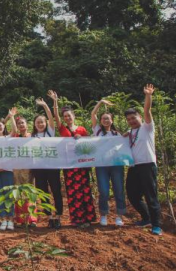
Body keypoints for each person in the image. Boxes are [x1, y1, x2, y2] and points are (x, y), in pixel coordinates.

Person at [53, 93, 96, 228]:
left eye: (69, 115)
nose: (67, 118)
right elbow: (55, 116)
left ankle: (87, 218)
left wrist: (81, 138)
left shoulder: (82, 129)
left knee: (84, 191)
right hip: (69, 166)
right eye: (65, 116)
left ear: (73, 116)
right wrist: (55, 101)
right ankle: (77, 219)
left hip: (82, 165)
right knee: (72, 192)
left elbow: (89, 146)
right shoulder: (62, 129)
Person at [125, 84, 162, 235]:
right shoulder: (129, 132)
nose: (132, 121)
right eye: (129, 119)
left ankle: (156, 225)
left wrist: (148, 95)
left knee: (150, 195)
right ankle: (146, 218)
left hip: (147, 165)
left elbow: (147, 111)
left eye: (134, 118)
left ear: (139, 117)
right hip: (134, 167)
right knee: (132, 195)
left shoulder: (147, 128)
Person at [91, 98, 126, 227]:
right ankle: (104, 215)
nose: (106, 120)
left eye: (108, 118)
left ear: (112, 120)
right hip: (101, 166)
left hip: (117, 166)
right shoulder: (97, 131)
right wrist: (100, 102)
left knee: (119, 190)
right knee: (104, 191)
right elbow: (93, 114)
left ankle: (119, 216)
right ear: (100, 121)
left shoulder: (117, 134)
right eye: (103, 118)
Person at [31, 94, 63, 229]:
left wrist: (45, 106)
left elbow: (51, 118)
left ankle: (58, 216)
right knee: (43, 192)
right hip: (38, 169)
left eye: (42, 122)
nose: (40, 124)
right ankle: (50, 217)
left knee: (56, 191)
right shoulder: (31, 136)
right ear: (34, 124)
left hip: (52, 167)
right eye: (37, 122)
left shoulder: (50, 132)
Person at [8, 107, 38, 227]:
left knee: (29, 193)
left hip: (29, 169)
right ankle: (20, 220)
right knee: (18, 193)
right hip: (16, 169)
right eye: (19, 123)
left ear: (27, 125)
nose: (20, 125)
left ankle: (32, 219)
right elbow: (13, 130)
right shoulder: (15, 138)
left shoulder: (32, 137)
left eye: (22, 123)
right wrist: (11, 117)